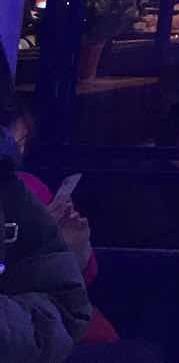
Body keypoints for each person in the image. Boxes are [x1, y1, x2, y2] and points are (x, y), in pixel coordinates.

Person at [1, 78, 92, 363]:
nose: (19, 151)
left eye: (22, 143)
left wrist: (74, 251)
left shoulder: (16, 189)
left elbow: (69, 303)